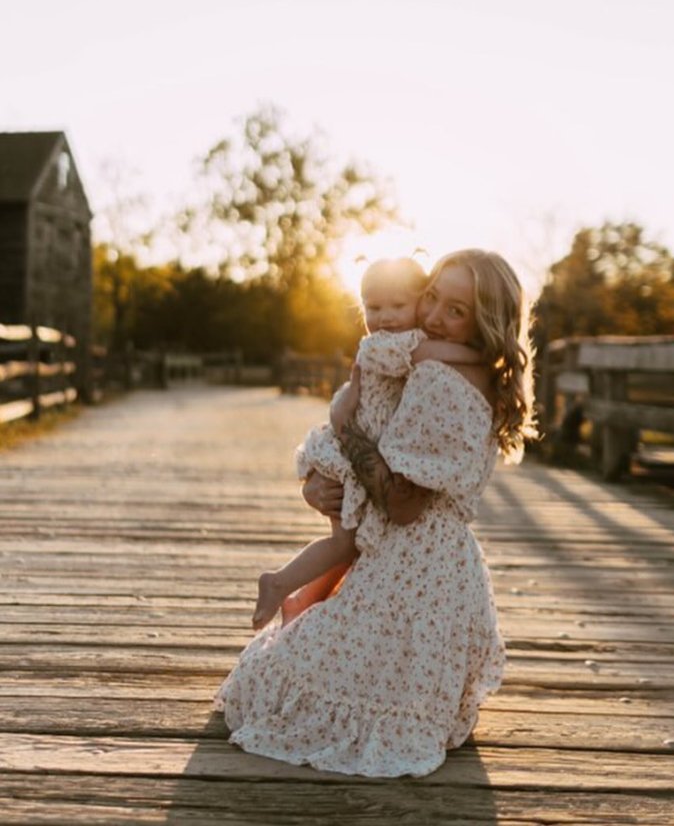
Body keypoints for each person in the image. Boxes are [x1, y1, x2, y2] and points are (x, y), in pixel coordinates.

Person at [215, 249, 536, 778]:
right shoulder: (465, 370)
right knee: (290, 666)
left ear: (483, 322)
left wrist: (344, 426)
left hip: (414, 569)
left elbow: (403, 506)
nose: (432, 317)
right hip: (446, 576)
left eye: (456, 311)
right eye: (432, 296)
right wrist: (323, 480)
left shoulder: (438, 379)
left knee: (268, 684)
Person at [251, 256, 482, 630]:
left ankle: (299, 597)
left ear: (418, 302)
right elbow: (429, 353)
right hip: (346, 453)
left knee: (350, 545)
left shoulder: (402, 342)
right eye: (374, 307)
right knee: (346, 544)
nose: (386, 316)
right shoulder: (384, 346)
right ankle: (281, 584)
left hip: (355, 450)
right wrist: (481, 355)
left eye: (398, 305)